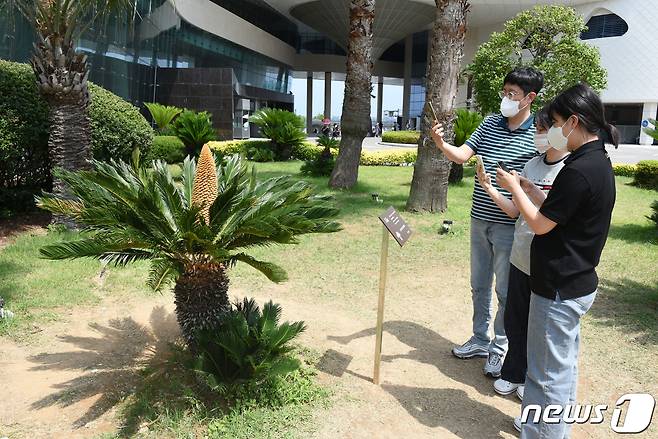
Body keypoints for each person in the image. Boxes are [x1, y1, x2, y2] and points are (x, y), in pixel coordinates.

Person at [496, 83, 618, 437]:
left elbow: (539, 224)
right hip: (575, 282)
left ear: (573, 122)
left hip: (558, 288)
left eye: (557, 121)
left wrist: (515, 187)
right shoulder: (595, 161)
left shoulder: (578, 170)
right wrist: (533, 190)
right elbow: (562, 212)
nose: (552, 130)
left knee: (545, 376)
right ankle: (548, 429)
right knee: (560, 372)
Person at [430, 67, 543, 378]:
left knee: (506, 292)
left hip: (509, 225)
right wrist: (441, 144)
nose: (505, 98)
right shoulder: (490, 123)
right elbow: (463, 154)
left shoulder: (538, 134)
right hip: (479, 220)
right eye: (504, 91)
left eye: (513, 94)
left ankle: (500, 348)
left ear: (529, 98)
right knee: (479, 285)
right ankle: (480, 339)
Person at [476, 106, 569, 400]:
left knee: (538, 327)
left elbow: (548, 217)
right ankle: (513, 371)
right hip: (520, 255)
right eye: (539, 130)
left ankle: (532, 380)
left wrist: (518, 189)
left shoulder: (569, 170)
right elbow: (516, 210)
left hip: (544, 262)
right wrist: (491, 188)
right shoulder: (532, 165)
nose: (540, 136)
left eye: (544, 129)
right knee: (515, 320)